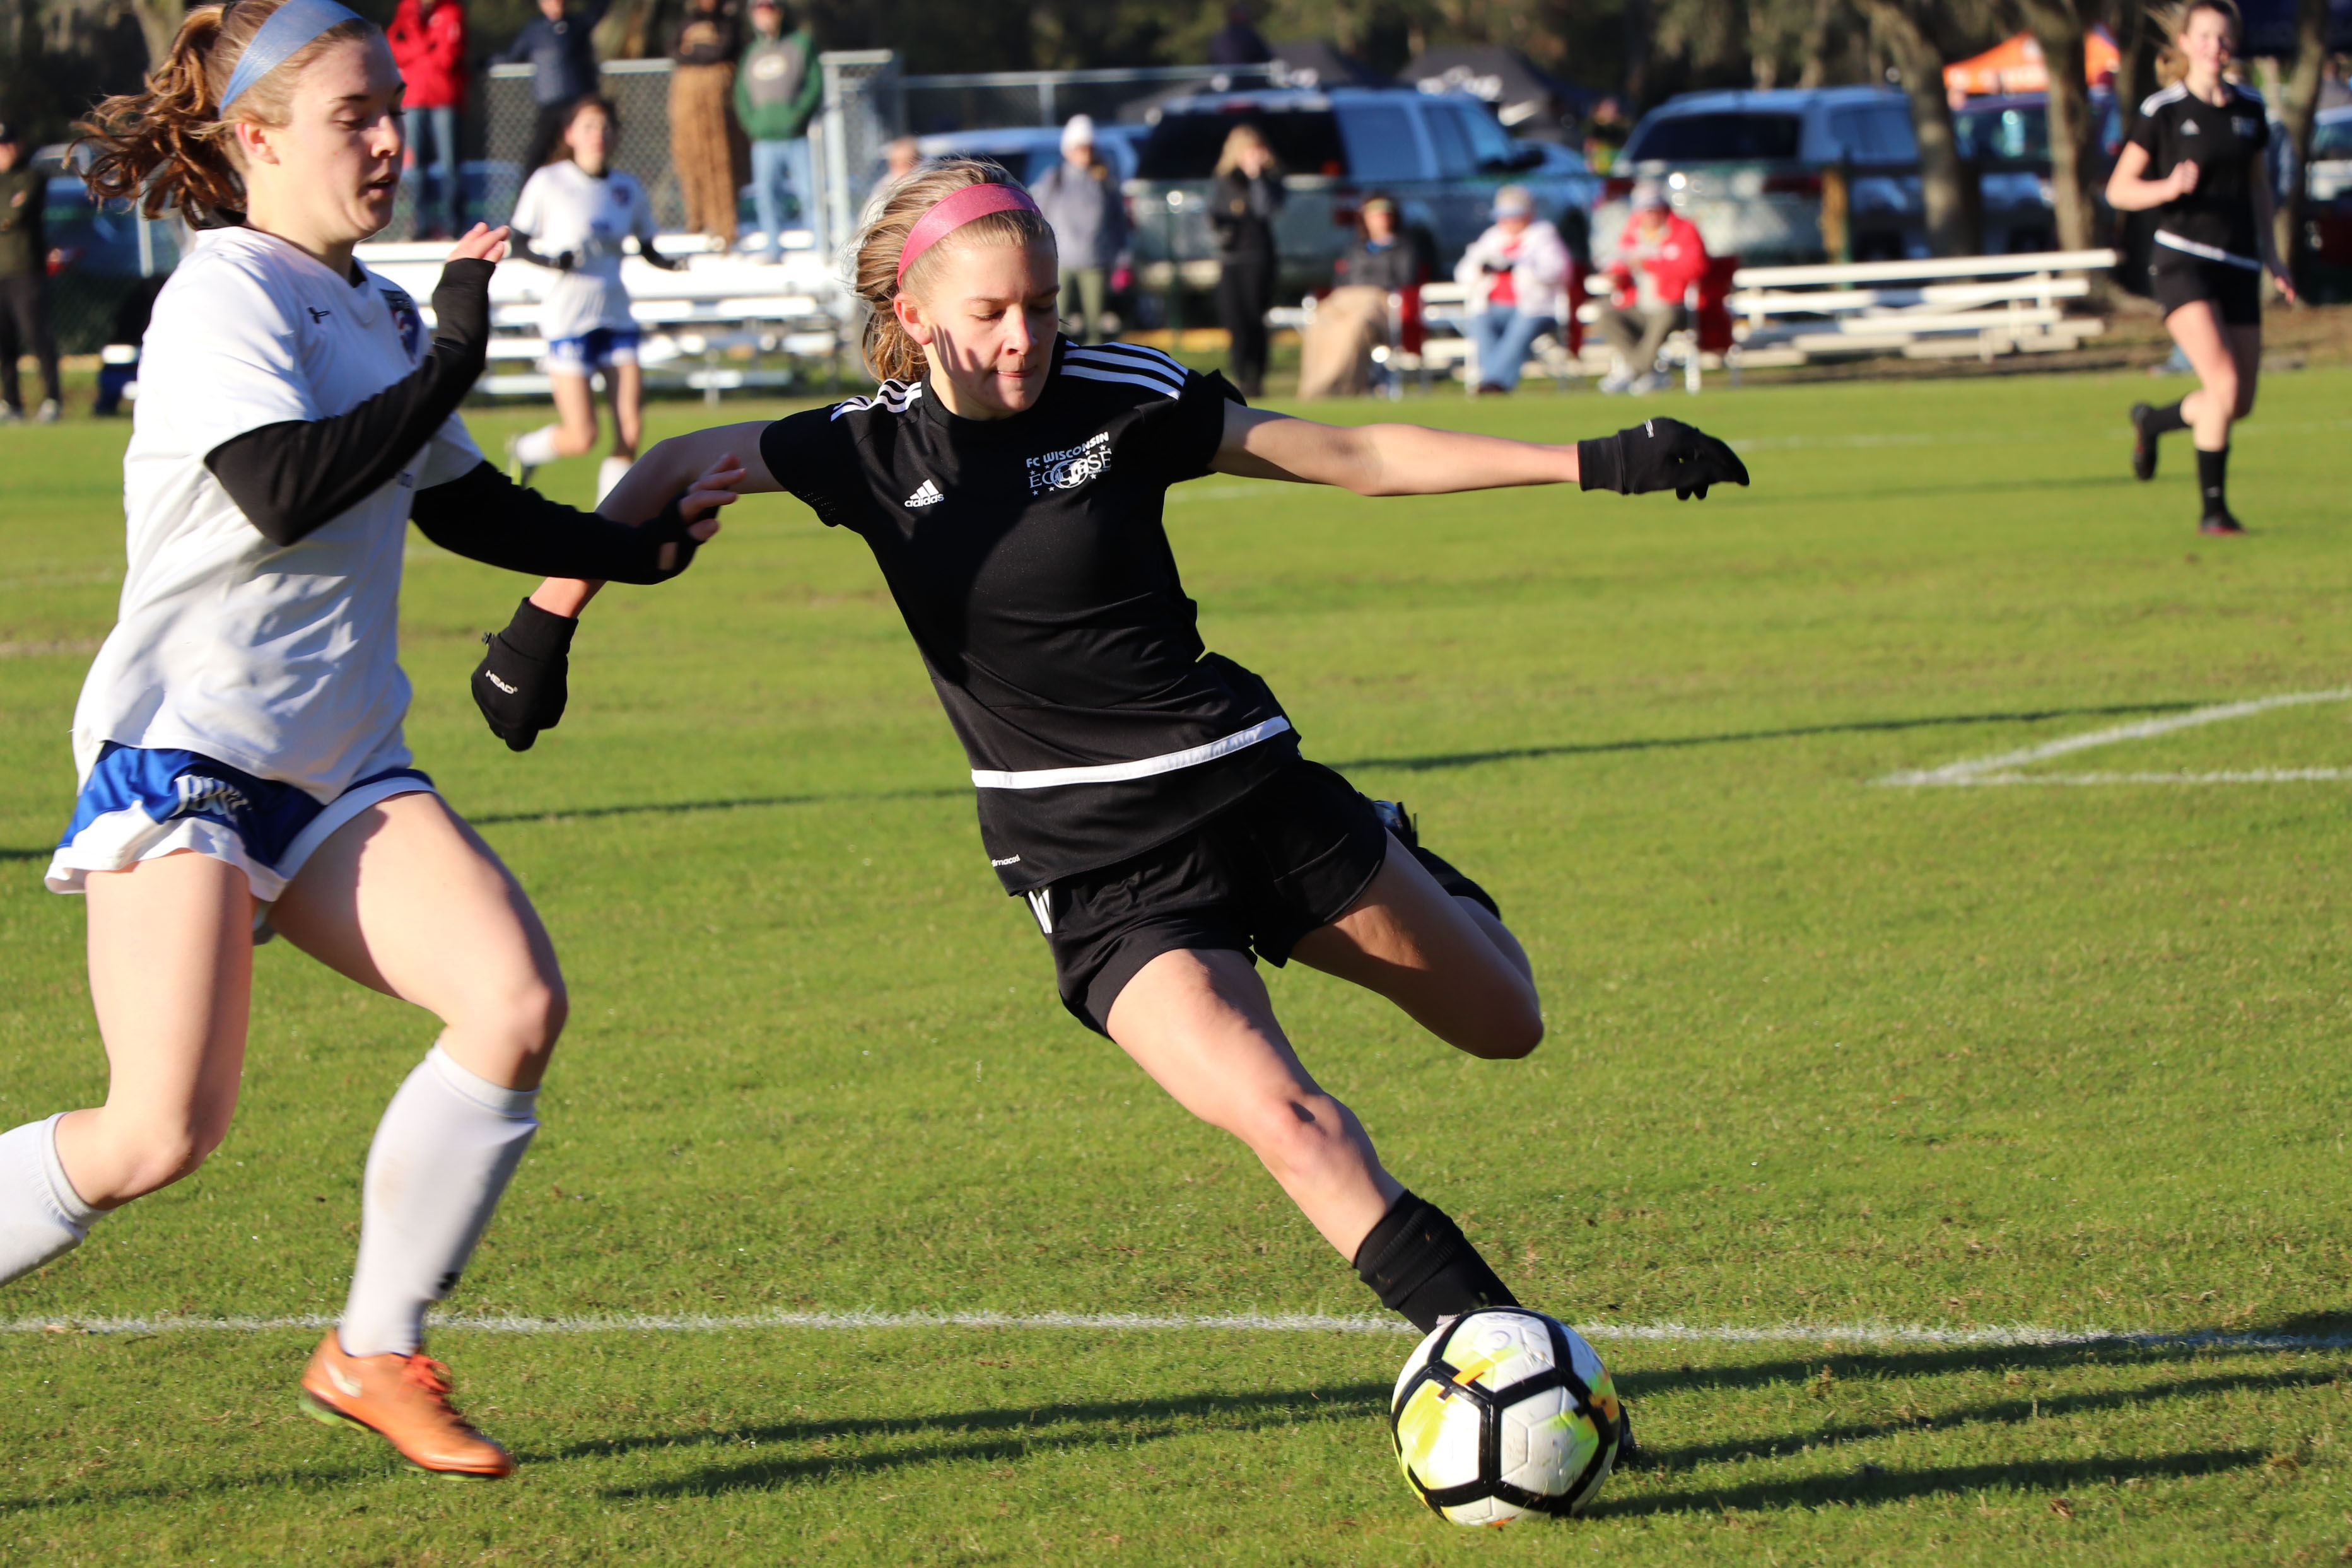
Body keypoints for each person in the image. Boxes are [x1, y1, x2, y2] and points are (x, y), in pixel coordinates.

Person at [483, 160, 1748, 1364]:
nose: (1025, 338)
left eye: (1041, 305)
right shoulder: (862, 451)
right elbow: (656, 468)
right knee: (1291, 1121)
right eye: (991, 314)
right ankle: (1513, 1364)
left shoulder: (1119, 393)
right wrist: (544, 622)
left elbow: (1349, 456)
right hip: (1095, 869)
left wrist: (1590, 461)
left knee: (1506, 1024)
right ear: (913, 316)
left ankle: (1397, 846)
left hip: (1254, 791)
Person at [38, 0, 732, 1479]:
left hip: (339, 760)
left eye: (387, 108)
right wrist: (451, 361)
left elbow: (459, 501)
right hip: (194, 760)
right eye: (354, 112)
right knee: (157, 1134)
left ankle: (371, 1345)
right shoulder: (222, 293)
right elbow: (284, 488)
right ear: (258, 139)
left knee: (511, 1000)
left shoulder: (381, 312)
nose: (386, 137)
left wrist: (631, 552)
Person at [2107, 0, 2292, 535]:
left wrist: (2273, 255)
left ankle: (2154, 420)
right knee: (2224, 385)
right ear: (2186, 44)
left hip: (2238, 262)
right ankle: (2214, 511)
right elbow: (2119, 189)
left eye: (2223, 37)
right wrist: (2168, 187)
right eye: (2205, 36)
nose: (2216, 46)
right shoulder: (2162, 110)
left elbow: (2258, 185)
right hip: (2181, 261)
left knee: (2239, 402)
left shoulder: (2250, 108)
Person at [506, 94, 681, 504]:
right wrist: (554, 260)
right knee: (582, 436)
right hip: (568, 318)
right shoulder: (549, 182)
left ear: (616, 135)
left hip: (616, 316)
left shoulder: (627, 187)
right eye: (587, 126)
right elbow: (518, 240)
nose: (597, 135)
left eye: (604, 127)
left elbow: (647, 245)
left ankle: (607, 518)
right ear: (569, 134)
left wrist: (672, 263)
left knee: (631, 430)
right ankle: (524, 451)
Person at [1296, 194, 1416, 400]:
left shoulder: (1403, 248)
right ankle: (1312, 388)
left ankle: (1343, 386)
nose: (1380, 219)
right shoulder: (1355, 249)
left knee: (1355, 327)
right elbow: (1340, 280)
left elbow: (1405, 280)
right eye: (1374, 214)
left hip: (1378, 301)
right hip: (1345, 298)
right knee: (1320, 321)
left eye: (1384, 214)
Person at [1594, 180, 1707, 395]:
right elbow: (1620, 263)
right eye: (1645, 210)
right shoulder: (1632, 233)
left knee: (1663, 317)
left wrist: (1652, 264)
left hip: (1673, 305)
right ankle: (1650, 374)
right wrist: (1617, 275)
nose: (1650, 215)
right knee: (1606, 315)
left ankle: (1633, 370)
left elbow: (1696, 268)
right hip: (1638, 305)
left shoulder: (1684, 230)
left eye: (1654, 208)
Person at [1454, 184, 1568, 396]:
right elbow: (1463, 272)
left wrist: (1523, 268)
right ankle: (1496, 384)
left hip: (1536, 308)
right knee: (1480, 322)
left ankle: (1492, 382)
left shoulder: (1544, 236)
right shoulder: (1491, 238)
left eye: (1514, 215)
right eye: (1504, 216)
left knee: (1520, 328)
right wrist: (1484, 269)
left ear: (1528, 214)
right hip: (1494, 306)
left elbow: (1560, 271)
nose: (1509, 221)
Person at [737, 0, 823, 264]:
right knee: (767, 196)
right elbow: (741, 95)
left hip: (797, 137)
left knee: (810, 193)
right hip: (764, 140)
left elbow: (814, 85)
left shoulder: (800, 44)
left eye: (769, 8)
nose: (765, 15)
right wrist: (754, 125)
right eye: (758, 10)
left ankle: (820, 247)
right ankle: (774, 248)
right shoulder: (751, 52)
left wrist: (797, 115)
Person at [1031, 114, 1127, 345]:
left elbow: (1118, 222)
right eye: (1080, 148)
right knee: (1055, 319)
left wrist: (1122, 257)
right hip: (1061, 262)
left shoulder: (1105, 181)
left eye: (1088, 148)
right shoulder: (1054, 179)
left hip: (1095, 261)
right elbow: (1039, 215)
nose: (1085, 153)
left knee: (1095, 325)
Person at [493, 0, 610, 174]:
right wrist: (485, 63)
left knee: (581, 153)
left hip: (577, 105)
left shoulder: (578, 25)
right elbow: (512, 55)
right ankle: (524, 195)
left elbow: (600, 8)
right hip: (550, 105)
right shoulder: (534, 31)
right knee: (537, 154)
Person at [1211, 123, 1282, 398]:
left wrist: (1257, 177)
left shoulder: (1268, 179)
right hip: (1232, 258)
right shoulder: (1225, 180)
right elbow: (1215, 215)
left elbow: (1266, 208)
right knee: (1235, 318)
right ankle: (1241, 375)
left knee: (1255, 317)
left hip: (1258, 257)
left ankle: (1258, 376)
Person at [385, 0, 465, 239]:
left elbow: (447, 58)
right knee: (416, 165)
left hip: (444, 98)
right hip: (415, 98)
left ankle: (454, 226)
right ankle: (420, 226)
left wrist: (416, 55)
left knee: (450, 164)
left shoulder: (452, 12)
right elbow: (393, 50)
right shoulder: (406, 11)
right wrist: (425, 47)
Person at [0, 120, 62, 423]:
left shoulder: (31, 177)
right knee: (4, 343)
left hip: (26, 271)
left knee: (37, 337)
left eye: (9, 143)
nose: (5, 150)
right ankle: (11, 403)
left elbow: (13, 215)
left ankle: (52, 399)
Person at [667, 0, 739, 247]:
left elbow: (723, 50)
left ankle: (724, 225)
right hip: (689, 108)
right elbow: (675, 52)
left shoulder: (728, 22)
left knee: (719, 162)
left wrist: (694, 51)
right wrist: (702, 51)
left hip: (716, 109)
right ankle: (697, 221)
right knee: (690, 161)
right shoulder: (686, 21)